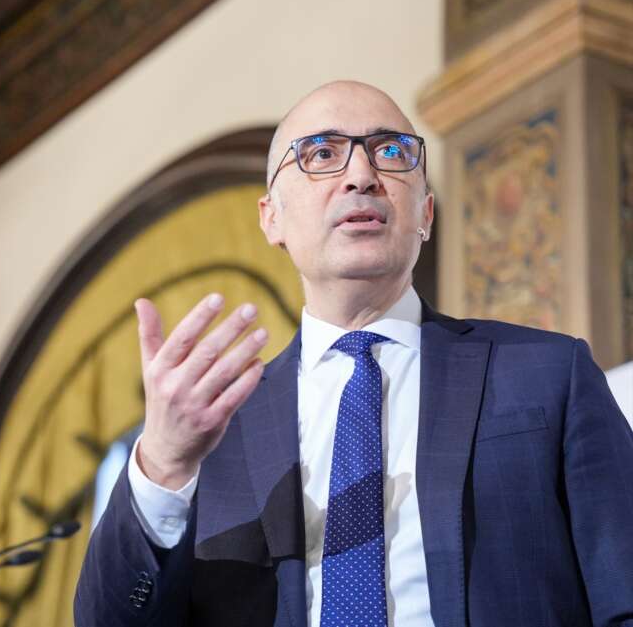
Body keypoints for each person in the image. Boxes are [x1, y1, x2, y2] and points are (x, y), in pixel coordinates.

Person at [73, 81, 633, 627]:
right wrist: (164, 463)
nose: (362, 176)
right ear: (272, 217)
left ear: (427, 214)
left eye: (390, 152)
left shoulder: (546, 373)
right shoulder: (215, 434)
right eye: (321, 154)